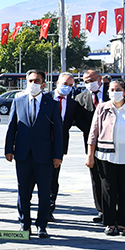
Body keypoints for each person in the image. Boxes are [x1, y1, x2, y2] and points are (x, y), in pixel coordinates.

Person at [85, 79, 125, 236]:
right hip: (106, 155)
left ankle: (123, 222)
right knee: (108, 188)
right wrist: (90, 155)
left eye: (118, 89)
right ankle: (109, 222)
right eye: (112, 90)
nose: (115, 92)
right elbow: (93, 132)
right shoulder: (102, 108)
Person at [4, 70, 63, 238]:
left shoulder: (51, 104)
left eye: (37, 81)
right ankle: (24, 224)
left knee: (44, 192)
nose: (33, 83)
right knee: (23, 192)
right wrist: (9, 149)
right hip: (23, 155)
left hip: (44, 156)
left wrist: (57, 155)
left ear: (43, 84)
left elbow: (57, 131)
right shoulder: (18, 101)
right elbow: (11, 127)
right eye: (30, 80)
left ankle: (42, 224)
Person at [75, 69, 110, 223]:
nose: (89, 83)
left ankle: (117, 209)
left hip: (113, 143)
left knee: (113, 177)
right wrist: (94, 132)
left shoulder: (112, 91)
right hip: (92, 144)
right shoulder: (80, 98)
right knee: (96, 177)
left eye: (91, 80)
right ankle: (101, 210)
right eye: (86, 81)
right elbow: (79, 120)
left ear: (99, 78)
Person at [49, 73, 82, 218]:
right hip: (42, 143)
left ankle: (49, 208)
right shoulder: (46, 98)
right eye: (64, 84)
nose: (67, 87)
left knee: (54, 178)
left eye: (70, 85)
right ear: (57, 83)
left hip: (59, 145)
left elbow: (82, 123)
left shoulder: (74, 104)